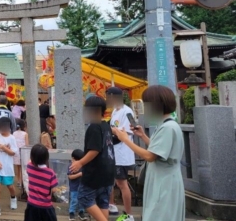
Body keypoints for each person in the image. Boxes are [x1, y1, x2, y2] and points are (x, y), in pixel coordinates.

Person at [111, 85, 185, 221]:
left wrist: (125, 140)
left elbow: (150, 156)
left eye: (147, 104)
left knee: (159, 215)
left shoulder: (167, 128)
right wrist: (143, 136)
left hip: (164, 182)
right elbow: (158, 150)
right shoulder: (168, 125)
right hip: (164, 179)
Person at [70, 96, 116, 221]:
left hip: (95, 173)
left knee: (84, 197)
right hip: (109, 172)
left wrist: (80, 162)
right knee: (103, 202)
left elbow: (95, 150)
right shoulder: (105, 125)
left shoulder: (94, 127)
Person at [106, 87, 136, 220]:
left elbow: (129, 131)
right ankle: (111, 204)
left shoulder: (127, 111)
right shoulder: (114, 111)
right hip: (113, 151)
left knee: (122, 183)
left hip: (122, 152)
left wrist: (111, 130)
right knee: (110, 180)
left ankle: (129, 214)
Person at [0, 117, 19, 217]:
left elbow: (13, 153)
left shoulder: (12, 138)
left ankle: (13, 197)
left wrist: (4, 148)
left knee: (10, 186)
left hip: (7, 168)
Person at [24, 144, 58, 221]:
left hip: (31, 205)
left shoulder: (29, 167)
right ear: (47, 158)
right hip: (45, 206)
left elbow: (30, 161)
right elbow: (54, 190)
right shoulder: (50, 173)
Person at [68, 149, 87, 221]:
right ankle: (71, 213)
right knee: (74, 200)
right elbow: (70, 177)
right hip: (74, 188)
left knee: (81, 200)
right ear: (73, 158)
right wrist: (79, 174)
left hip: (82, 187)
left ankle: (81, 212)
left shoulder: (83, 166)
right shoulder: (71, 166)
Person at [13, 119, 28, 188]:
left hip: (16, 152)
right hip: (23, 152)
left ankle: (18, 181)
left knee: (17, 168)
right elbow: (27, 144)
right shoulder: (25, 134)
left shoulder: (14, 133)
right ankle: (22, 181)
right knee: (23, 168)